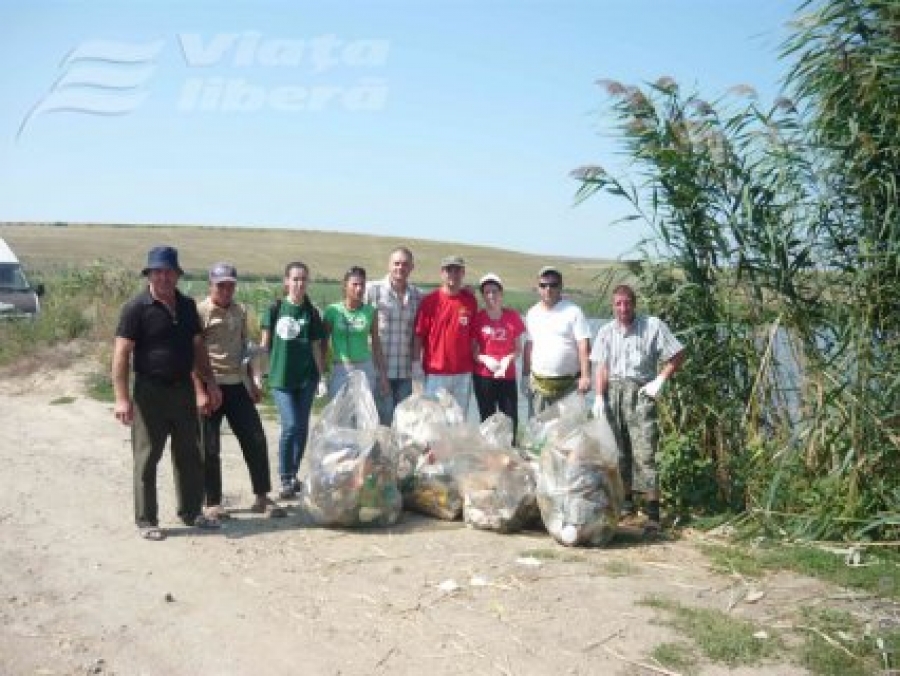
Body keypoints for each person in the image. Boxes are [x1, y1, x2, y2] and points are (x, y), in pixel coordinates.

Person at [112, 245, 223, 541]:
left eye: (169, 272)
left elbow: (198, 347)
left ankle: (191, 512)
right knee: (147, 457)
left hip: (183, 390)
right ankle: (147, 519)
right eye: (158, 271)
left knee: (189, 453)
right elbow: (122, 352)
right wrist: (122, 397)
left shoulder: (187, 307)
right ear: (149, 274)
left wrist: (210, 382)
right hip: (150, 392)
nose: (163, 277)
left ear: (177, 275)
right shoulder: (136, 308)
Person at [590, 283, 685, 534]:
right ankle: (627, 506)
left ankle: (653, 513)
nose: (623, 308)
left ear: (634, 304)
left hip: (641, 393)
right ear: (613, 306)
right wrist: (599, 397)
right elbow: (601, 367)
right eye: (618, 304)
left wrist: (660, 380)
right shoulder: (605, 332)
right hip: (613, 394)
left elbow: (677, 354)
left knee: (645, 452)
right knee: (618, 453)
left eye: (627, 303)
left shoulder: (652, 326)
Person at [196, 262, 286, 520]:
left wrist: (254, 381)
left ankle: (261, 496)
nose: (226, 290)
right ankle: (212, 501)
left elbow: (246, 348)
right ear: (211, 285)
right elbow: (193, 352)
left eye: (230, 285)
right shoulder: (199, 312)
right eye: (220, 285)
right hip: (210, 383)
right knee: (209, 446)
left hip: (237, 384)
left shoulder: (240, 311)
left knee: (255, 439)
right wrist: (201, 391)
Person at [260, 261, 327, 500]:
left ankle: (293, 475)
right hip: (281, 378)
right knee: (289, 426)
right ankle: (284, 477)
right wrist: (258, 374)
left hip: (306, 379)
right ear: (286, 281)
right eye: (295, 279)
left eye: (303, 279)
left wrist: (321, 377)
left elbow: (317, 346)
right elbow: (264, 345)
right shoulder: (275, 308)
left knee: (302, 428)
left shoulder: (311, 311)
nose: (299, 284)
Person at [521, 265, 592, 415]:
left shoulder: (574, 311)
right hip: (538, 385)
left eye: (553, 285)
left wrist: (585, 376)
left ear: (560, 287)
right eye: (543, 285)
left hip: (568, 387)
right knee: (539, 434)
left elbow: (583, 345)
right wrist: (525, 375)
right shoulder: (532, 313)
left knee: (569, 435)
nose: (548, 289)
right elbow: (529, 345)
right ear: (538, 288)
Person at [365, 246, 423, 425]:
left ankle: (398, 454)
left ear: (411, 267)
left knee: (402, 422)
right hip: (379, 370)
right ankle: (380, 454)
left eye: (405, 264)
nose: (400, 268)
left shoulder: (417, 296)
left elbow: (418, 333)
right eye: (396, 263)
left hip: (405, 373)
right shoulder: (372, 290)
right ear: (389, 265)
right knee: (383, 421)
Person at [413, 254, 478, 414]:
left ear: (463, 273)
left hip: (463, 372)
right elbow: (419, 335)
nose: (453, 275)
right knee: (434, 421)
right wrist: (416, 364)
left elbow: (474, 336)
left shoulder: (470, 301)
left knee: (458, 421)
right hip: (436, 372)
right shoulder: (430, 301)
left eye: (457, 270)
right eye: (449, 270)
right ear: (442, 273)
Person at [471, 273, 526, 442]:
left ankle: (510, 456)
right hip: (483, 377)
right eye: (486, 292)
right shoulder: (478, 318)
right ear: (483, 295)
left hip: (506, 376)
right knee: (487, 419)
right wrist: (485, 359)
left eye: (494, 291)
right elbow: (473, 352)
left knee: (510, 420)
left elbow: (518, 349)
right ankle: (488, 457)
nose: (491, 296)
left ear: (501, 293)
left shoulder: (512, 317)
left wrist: (507, 360)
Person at [323, 266, 389, 400]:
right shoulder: (332, 311)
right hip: (341, 368)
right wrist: (321, 374)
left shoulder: (370, 311)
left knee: (362, 415)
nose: (359, 289)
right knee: (338, 416)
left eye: (362, 285)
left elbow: (376, 344)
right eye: (354, 284)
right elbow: (323, 344)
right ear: (345, 286)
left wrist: (383, 376)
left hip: (365, 368)